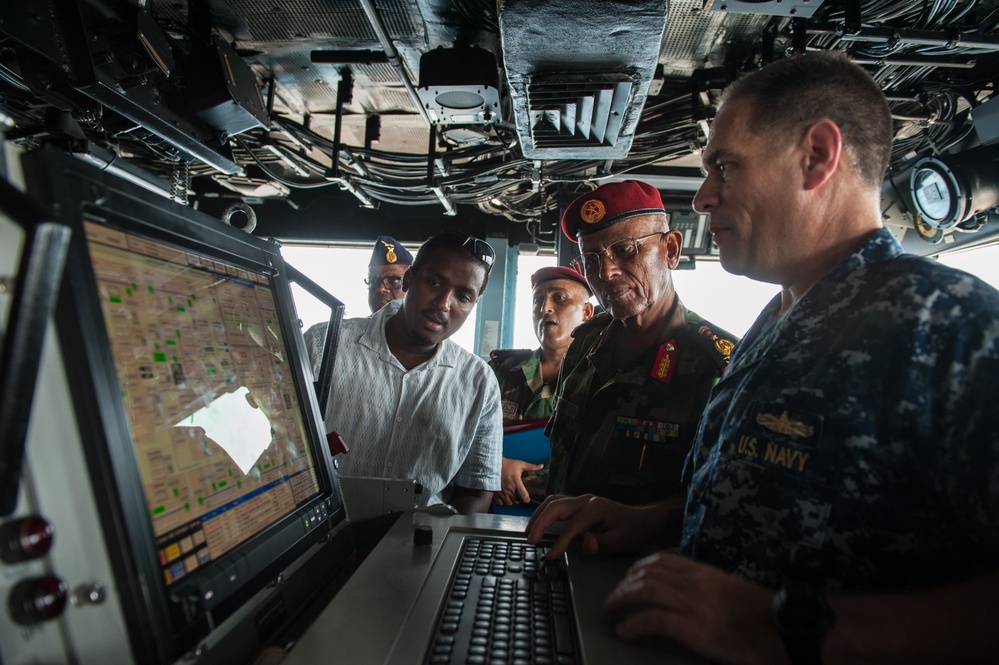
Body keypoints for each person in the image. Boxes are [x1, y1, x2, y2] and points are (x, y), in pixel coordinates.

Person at [526, 50, 999, 664]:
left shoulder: (947, 324)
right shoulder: (775, 324)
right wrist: (648, 522)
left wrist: (778, 627)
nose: (703, 199)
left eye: (724, 166)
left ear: (817, 157)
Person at [545, 179, 737, 506]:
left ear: (671, 250)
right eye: (591, 260)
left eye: (625, 250)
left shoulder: (718, 365)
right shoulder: (586, 343)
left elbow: (724, 496)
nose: (605, 272)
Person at [304, 230, 502, 515]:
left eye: (463, 296)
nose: (443, 303)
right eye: (434, 282)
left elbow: (477, 491)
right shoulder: (323, 345)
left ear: (473, 304)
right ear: (409, 279)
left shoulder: (479, 382)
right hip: (319, 538)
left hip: (421, 551)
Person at [488, 265, 594, 506]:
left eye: (559, 298)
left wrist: (517, 480)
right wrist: (496, 467)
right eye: (538, 301)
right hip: (491, 513)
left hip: (565, 517)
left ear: (586, 312)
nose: (545, 308)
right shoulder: (499, 370)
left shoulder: (599, 378)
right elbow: (461, 435)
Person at [366, 235, 414, 313]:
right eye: (373, 281)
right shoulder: (353, 325)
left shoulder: (428, 324)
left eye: (393, 281)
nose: (380, 289)